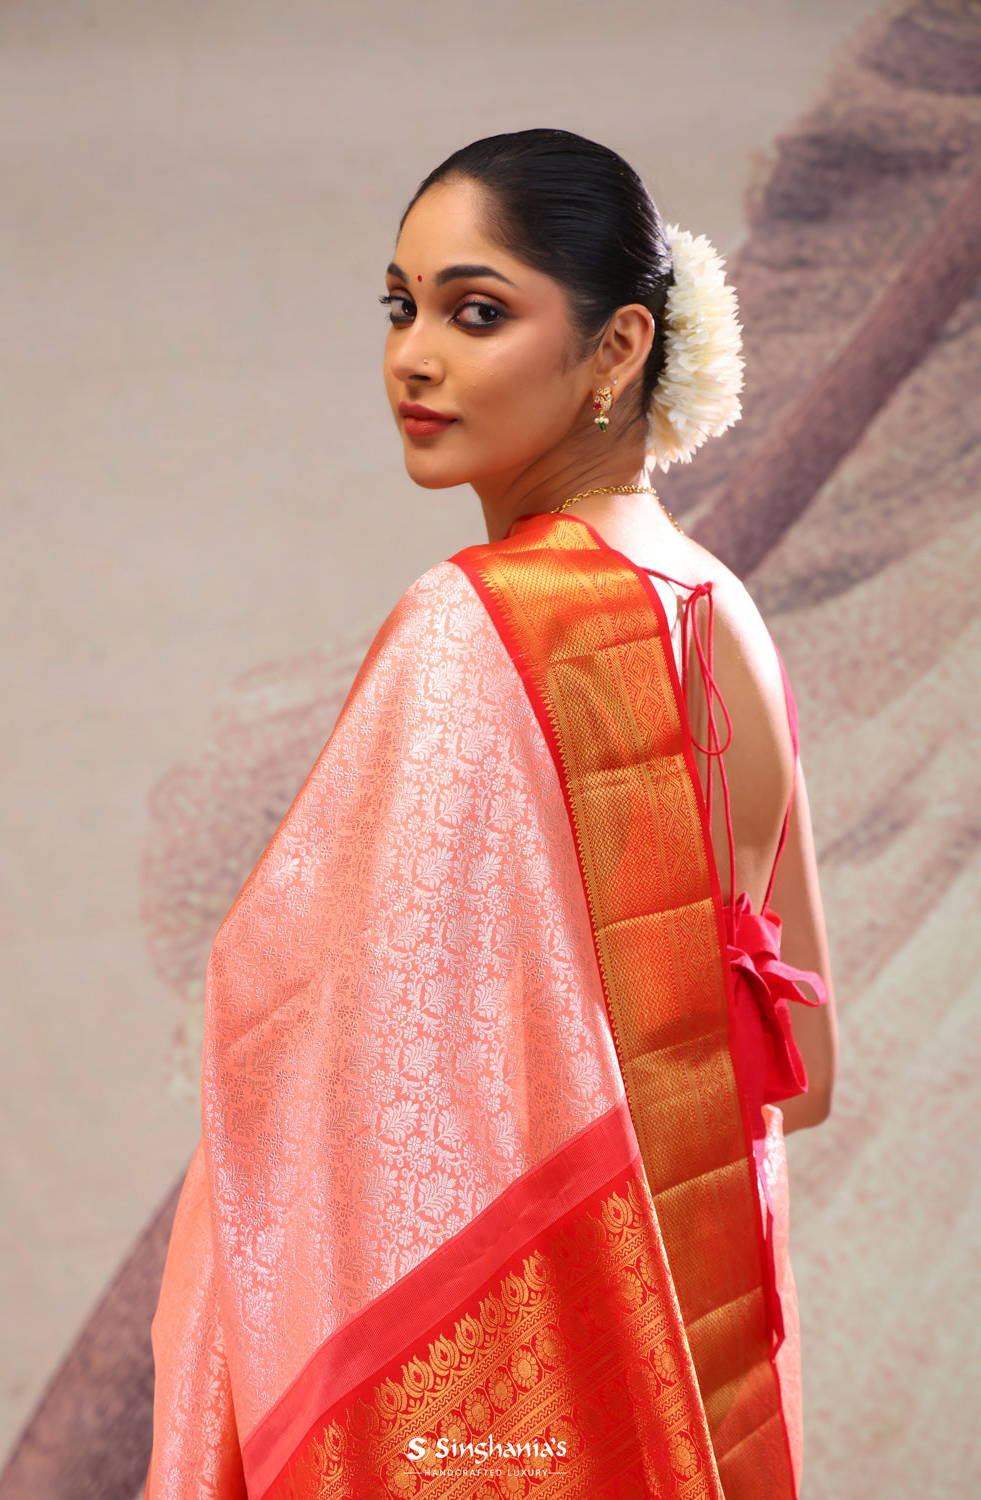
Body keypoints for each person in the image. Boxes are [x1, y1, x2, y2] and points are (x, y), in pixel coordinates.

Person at [146, 129, 837, 1500]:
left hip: (516, 1392)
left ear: (618, 345)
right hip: (708, 1350)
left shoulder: (474, 628)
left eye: (476, 313)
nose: (413, 357)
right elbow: (803, 1068)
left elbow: (335, 1069)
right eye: (399, 307)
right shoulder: (726, 612)